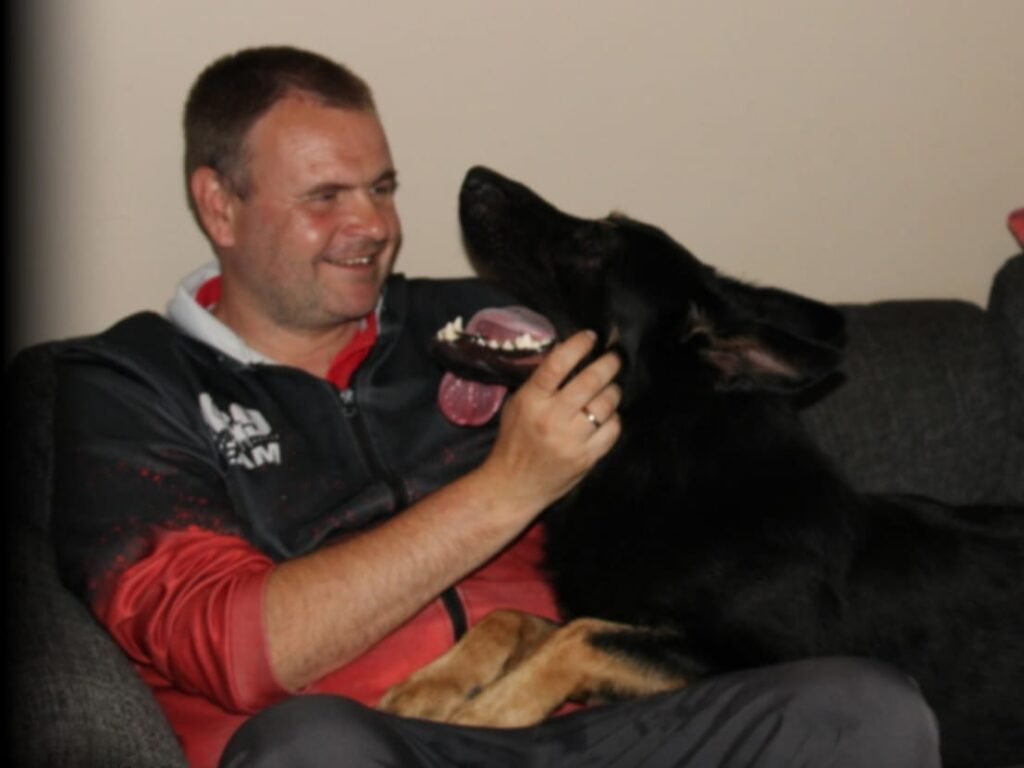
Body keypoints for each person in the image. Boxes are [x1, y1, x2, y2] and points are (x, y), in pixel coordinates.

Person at [50, 46, 940, 768]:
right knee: (307, 749)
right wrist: (510, 484)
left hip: (586, 716)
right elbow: (238, 652)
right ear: (220, 205)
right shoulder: (129, 387)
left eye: (383, 187)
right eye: (326, 197)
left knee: (861, 706)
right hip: (376, 739)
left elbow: (675, 337)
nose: (374, 226)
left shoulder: (472, 322)